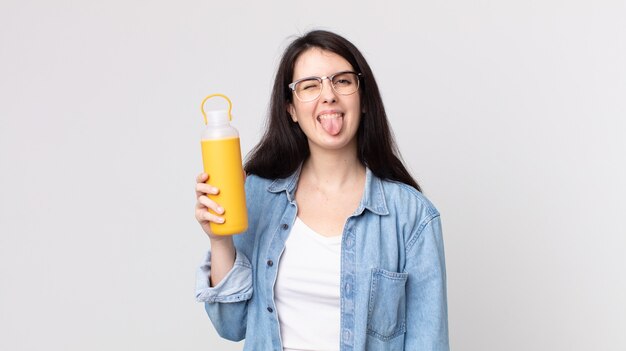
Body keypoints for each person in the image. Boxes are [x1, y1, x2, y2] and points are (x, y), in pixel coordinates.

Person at [194, 30, 449, 351]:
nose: (328, 95)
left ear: (364, 98)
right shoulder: (256, 195)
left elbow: (430, 343)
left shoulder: (412, 216)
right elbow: (231, 325)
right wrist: (220, 240)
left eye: (342, 81)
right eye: (310, 86)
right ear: (290, 109)